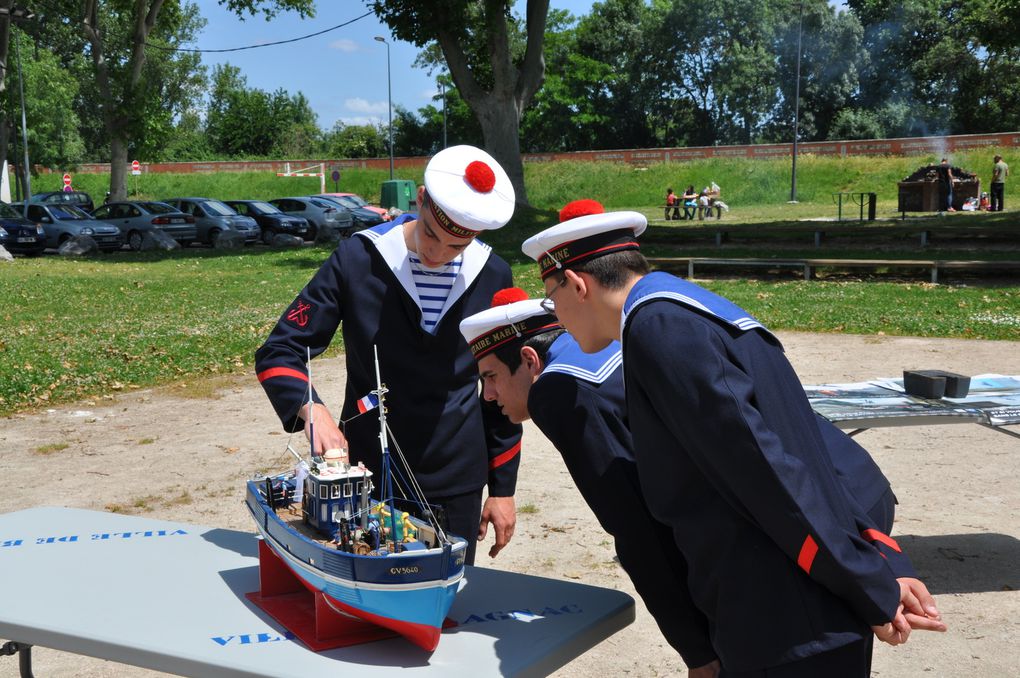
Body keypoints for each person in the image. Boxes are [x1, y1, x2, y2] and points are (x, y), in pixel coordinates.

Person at [522, 200, 946, 676]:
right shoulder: (694, 310)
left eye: (550, 297)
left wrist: (869, 582)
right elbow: (808, 453)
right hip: (802, 608)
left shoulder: (658, 330)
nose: (553, 314)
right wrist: (878, 564)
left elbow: (770, 478)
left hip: (783, 618)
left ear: (576, 284)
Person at [459, 280, 910, 677]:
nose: (489, 395)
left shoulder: (561, 389)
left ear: (529, 359)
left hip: (784, 532)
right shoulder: (619, 336)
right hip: (845, 492)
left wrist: (697, 650)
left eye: (491, 376)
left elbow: (637, 529)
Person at [255, 145, 523, 565]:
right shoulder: (359, 258)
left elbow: (501, 390)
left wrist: (503, 488)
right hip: (366, 477)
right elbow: (280, 349)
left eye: (456, 246)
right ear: (420, 199)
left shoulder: (492, 273)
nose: (437, 254)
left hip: (456, 482)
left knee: (446, 610)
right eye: (432, 234)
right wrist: (312, 409)